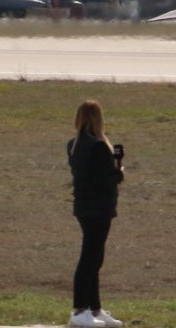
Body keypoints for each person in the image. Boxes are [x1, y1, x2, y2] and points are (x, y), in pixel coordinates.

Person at [66, 100, 125, 328]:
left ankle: (94, 308)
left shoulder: (73, 145)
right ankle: (81, 309)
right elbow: (104, 180)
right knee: (90, 258)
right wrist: (119, 172)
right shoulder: (99, 146)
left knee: (94, 257)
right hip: (99, 207)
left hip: (83, 206)